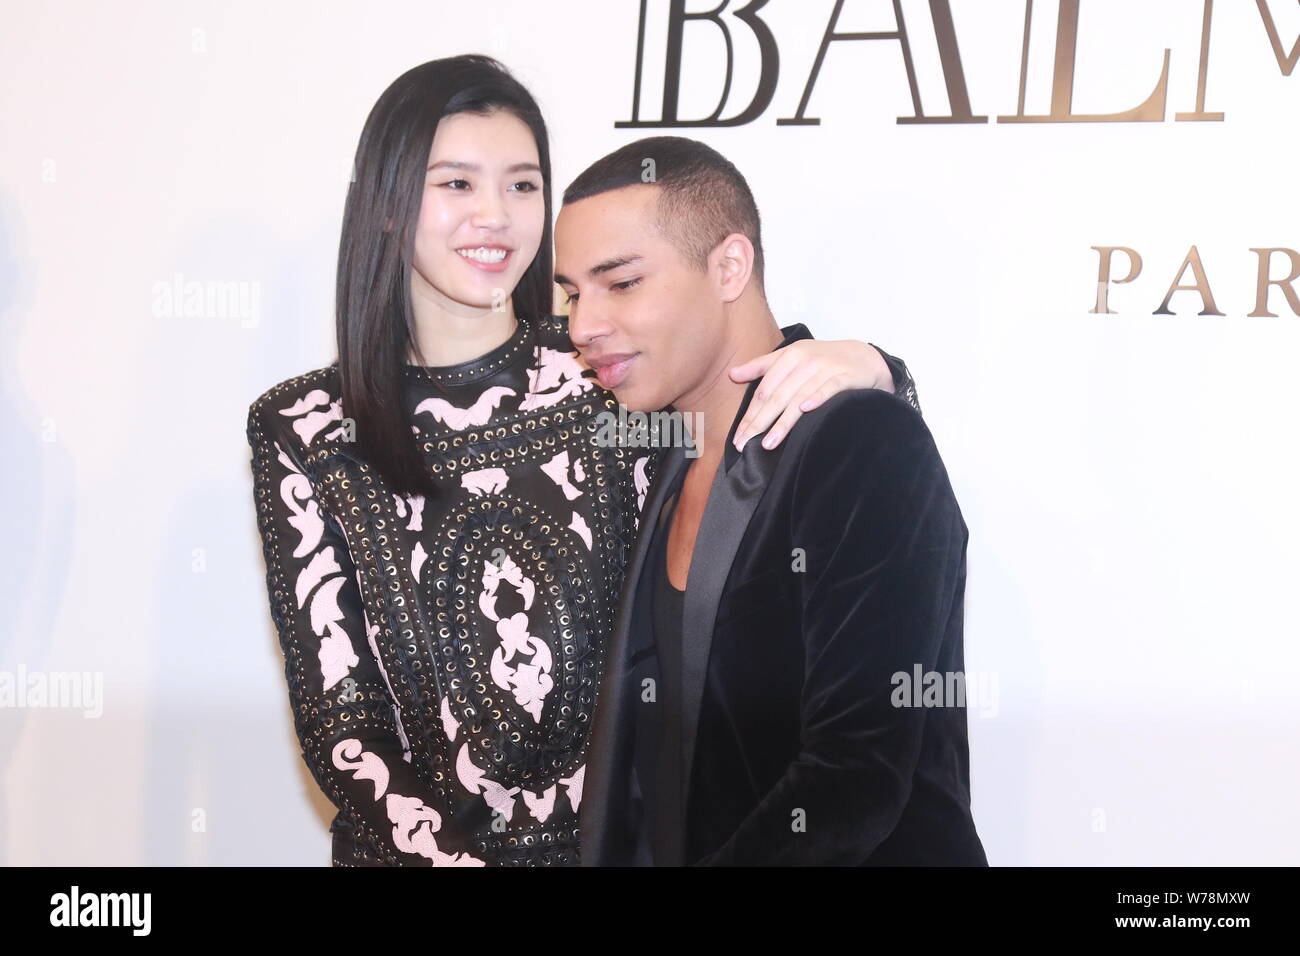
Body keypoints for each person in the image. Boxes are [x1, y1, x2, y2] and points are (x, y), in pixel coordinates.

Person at [246, 55, 920, 866]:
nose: (494, 216)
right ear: (389, 204)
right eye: (457, 184)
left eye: (523, 185)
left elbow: (776, 467)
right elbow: (341, 719)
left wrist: (880, 370)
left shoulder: (609, 376)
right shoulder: (307, 427)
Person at [557, 136, 986, 865]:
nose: (581, 325)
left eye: (620, 283)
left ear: (729, 266)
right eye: (570, 293)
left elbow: (855, 779)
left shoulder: (861, 440)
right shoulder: (659, 446)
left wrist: (888, 374)